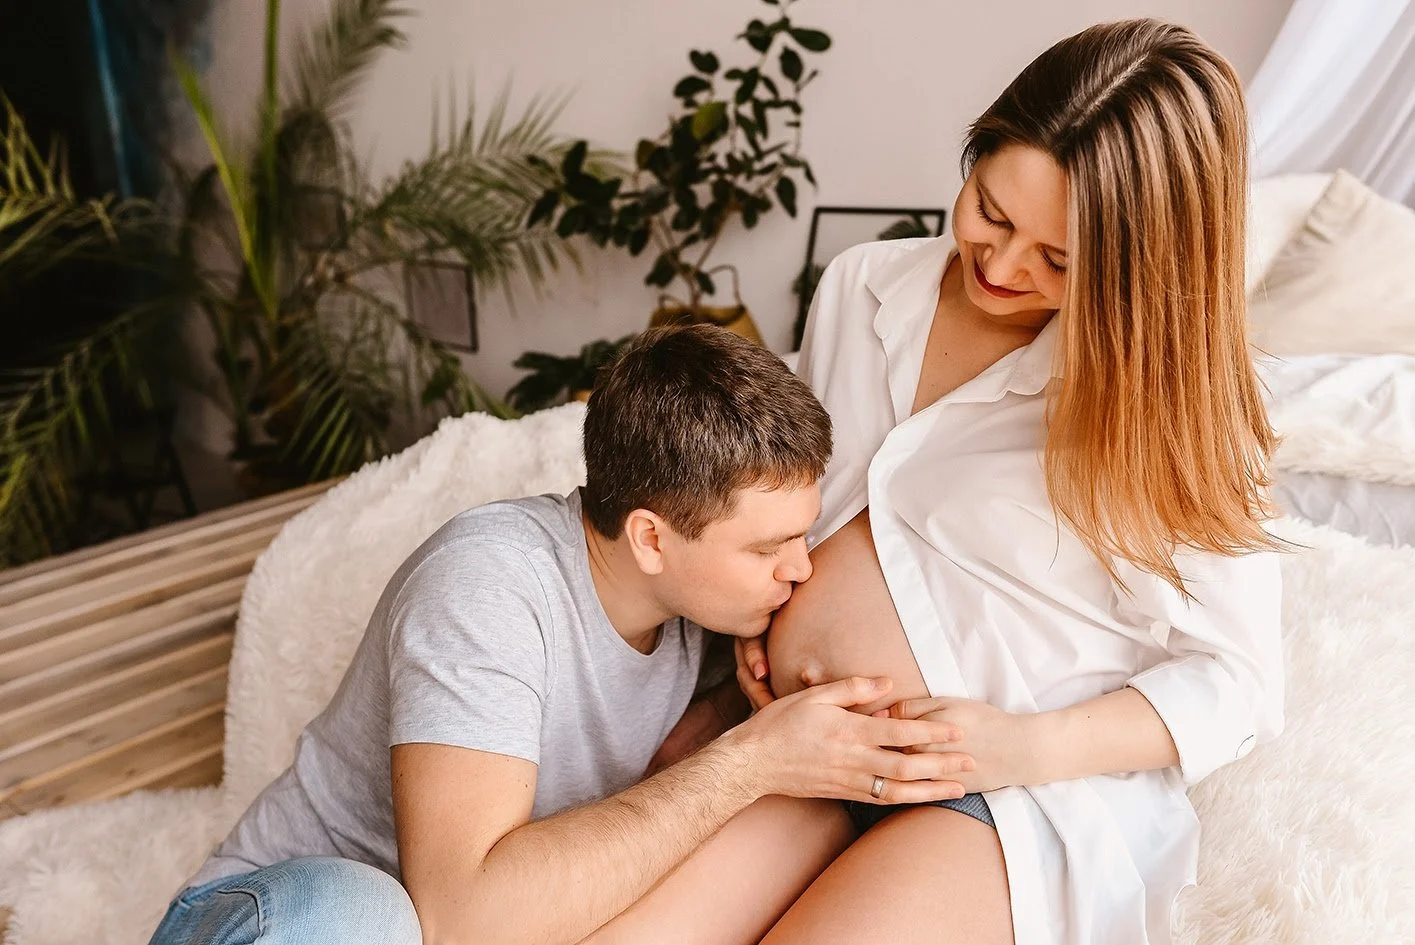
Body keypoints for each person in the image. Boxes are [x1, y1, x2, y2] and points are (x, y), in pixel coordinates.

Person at [581, 19, 1284, 945]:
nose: (998, 265)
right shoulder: (860, 286)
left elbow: (1237, 682)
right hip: (803, 745)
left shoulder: (1169, 408)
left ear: (1131, 265)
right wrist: (758, 628)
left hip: (1000, 795)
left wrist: (1015, 745)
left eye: (1057, 260)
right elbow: (802, 497)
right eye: (990, 210)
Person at [144, 324, 974, 945]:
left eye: (801, 534)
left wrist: (745, 703)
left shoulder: (705, 613)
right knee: (366, 916)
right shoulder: (487, 586)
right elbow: (463, 916)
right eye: (765, 547)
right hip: (279, 919)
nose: (799, 568)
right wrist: (749, 758)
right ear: (650, 537)